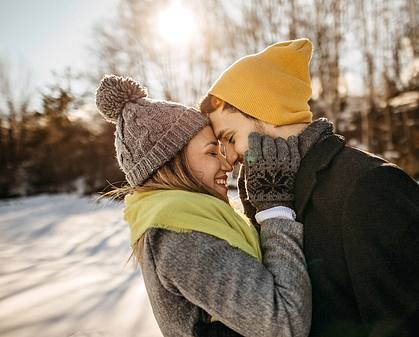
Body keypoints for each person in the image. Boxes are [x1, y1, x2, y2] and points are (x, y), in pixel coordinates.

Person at [199, 38, 419, 337]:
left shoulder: (372, 187)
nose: (230, 158)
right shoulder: (270, 198)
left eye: (230, 138)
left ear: (269, 113)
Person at [95, 75, 311, 337]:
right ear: (171, 163)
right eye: (212, 152)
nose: (227, 164)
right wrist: (275, 209)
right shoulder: (179, 233)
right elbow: (283, 324)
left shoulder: (195, 218)